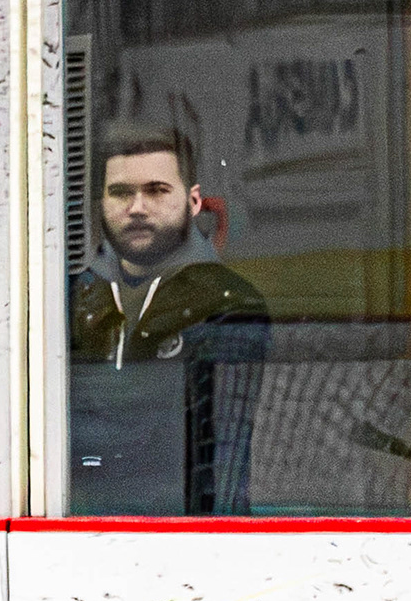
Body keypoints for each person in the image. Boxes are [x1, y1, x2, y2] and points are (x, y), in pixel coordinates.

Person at [69, 122, 266, 516]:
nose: (137, 208)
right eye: (120, 192)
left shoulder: (225, 303)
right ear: (100, 204)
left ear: (193, 203)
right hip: (78, 530)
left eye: (157, 190)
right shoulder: (72, 297)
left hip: (179, 534)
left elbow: (223, 468)